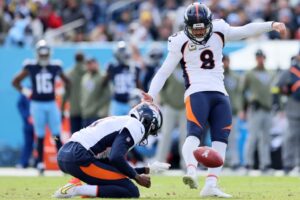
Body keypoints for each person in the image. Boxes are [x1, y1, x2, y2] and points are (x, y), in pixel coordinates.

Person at [142, 2, 286, 198]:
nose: (200, 33)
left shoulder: (219, 29)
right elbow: (164, 70)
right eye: (195, 28)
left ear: (209, 24)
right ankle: (191, 171)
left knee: (221, 139)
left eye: (202, 28)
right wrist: (151, 93)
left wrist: (271, 25)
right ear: (187, 26)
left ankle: (211, 184)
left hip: (220, 92)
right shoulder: (179, 41)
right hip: (196, 91)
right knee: (194, 134)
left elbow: (244, 30)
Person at [53, 102, 170, 198]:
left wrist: (146, 169)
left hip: (66, 154)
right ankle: (77, 190)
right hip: (79, 157)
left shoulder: (121, 121)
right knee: (131, 190)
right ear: (147, 121)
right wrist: (137, 178)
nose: (148, 134)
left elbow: (113, 167)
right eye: (152, 130)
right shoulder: (136, 125)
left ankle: (77, 185)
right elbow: (116, 158)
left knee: (119, 181)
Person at [12, 39, 70, 174]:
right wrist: (28, 93)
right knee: (40, 135)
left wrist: (60, 93)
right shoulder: (31, 66)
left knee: (56, 134)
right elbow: (15, 81)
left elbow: (68, 82)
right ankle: (40, 163)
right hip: (37, 104)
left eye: (45, 54)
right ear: (37, 54)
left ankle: (62, 162)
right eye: (41, 54)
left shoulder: (55, 66)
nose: (44, 57)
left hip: (51, 103)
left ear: (49, 54)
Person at [241, 49, 275, 173]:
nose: (260, 59)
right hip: (255, 108)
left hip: (267, 108)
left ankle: (265, 164)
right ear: (256, 59)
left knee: (265, 139)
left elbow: (273, 91)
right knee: (252, 137)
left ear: (264, 58)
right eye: (258, 57)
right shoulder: (250, 73)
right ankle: (247, 163)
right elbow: (243, 91)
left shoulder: (270, 73)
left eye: (262, 57)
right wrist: (244, 107)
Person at [272, 51, 300, 175]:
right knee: (291, 137)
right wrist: (278, 103)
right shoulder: (289, 72)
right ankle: (289, 164)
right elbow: (275, 88)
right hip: (293, 107)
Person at [155, 64, 187, 169]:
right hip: (170, 107)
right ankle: (159, 163)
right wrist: (165, 101)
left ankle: (186, 165)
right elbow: (161, 86)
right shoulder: (169, 69)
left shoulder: (188, 69)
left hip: (184, 107)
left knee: (185, 136)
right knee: (165, 135)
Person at [102, 41, 141, 116]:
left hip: (132, 102)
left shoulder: (135, 67)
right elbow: (104, 83)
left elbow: (138, 83)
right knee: (114, 125)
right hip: (117, 102)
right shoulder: (112, 67)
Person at [223, 55, 241, 169]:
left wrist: (240, 108)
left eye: (226, 61)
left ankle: (234, 162)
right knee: (219, 139)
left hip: (232, 111)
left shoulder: (235, 77)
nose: (225, 63)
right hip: (219, 112)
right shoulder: (217, 76)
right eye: (223, 61)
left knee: (233, 138)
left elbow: (239, 94)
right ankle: (220, 161)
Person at [80, 58, 110, 127]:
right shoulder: (85, 77)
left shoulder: (102, 77)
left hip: (97, 114)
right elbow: (83, 95)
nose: (90, 66)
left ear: (97, 64)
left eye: (91, 64)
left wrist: (96, 107)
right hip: (86, 113)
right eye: (88, 64)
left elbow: (107, 95)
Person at [61, 52, 86, 134]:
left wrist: (62, 109)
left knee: (75, 138)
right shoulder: (89, 73)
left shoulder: (69, 74)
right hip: (88, 112)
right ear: (83, 59)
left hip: (74, 111)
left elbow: (65, 94)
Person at [16, 93, 34, 168]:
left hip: (45, 125)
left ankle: (40, 162)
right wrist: (27, 116)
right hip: (29, 124)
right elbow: (20, 105)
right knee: (28, 143)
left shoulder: (49, 90)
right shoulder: (26, 91)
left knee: (53, 139)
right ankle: (24, 162)